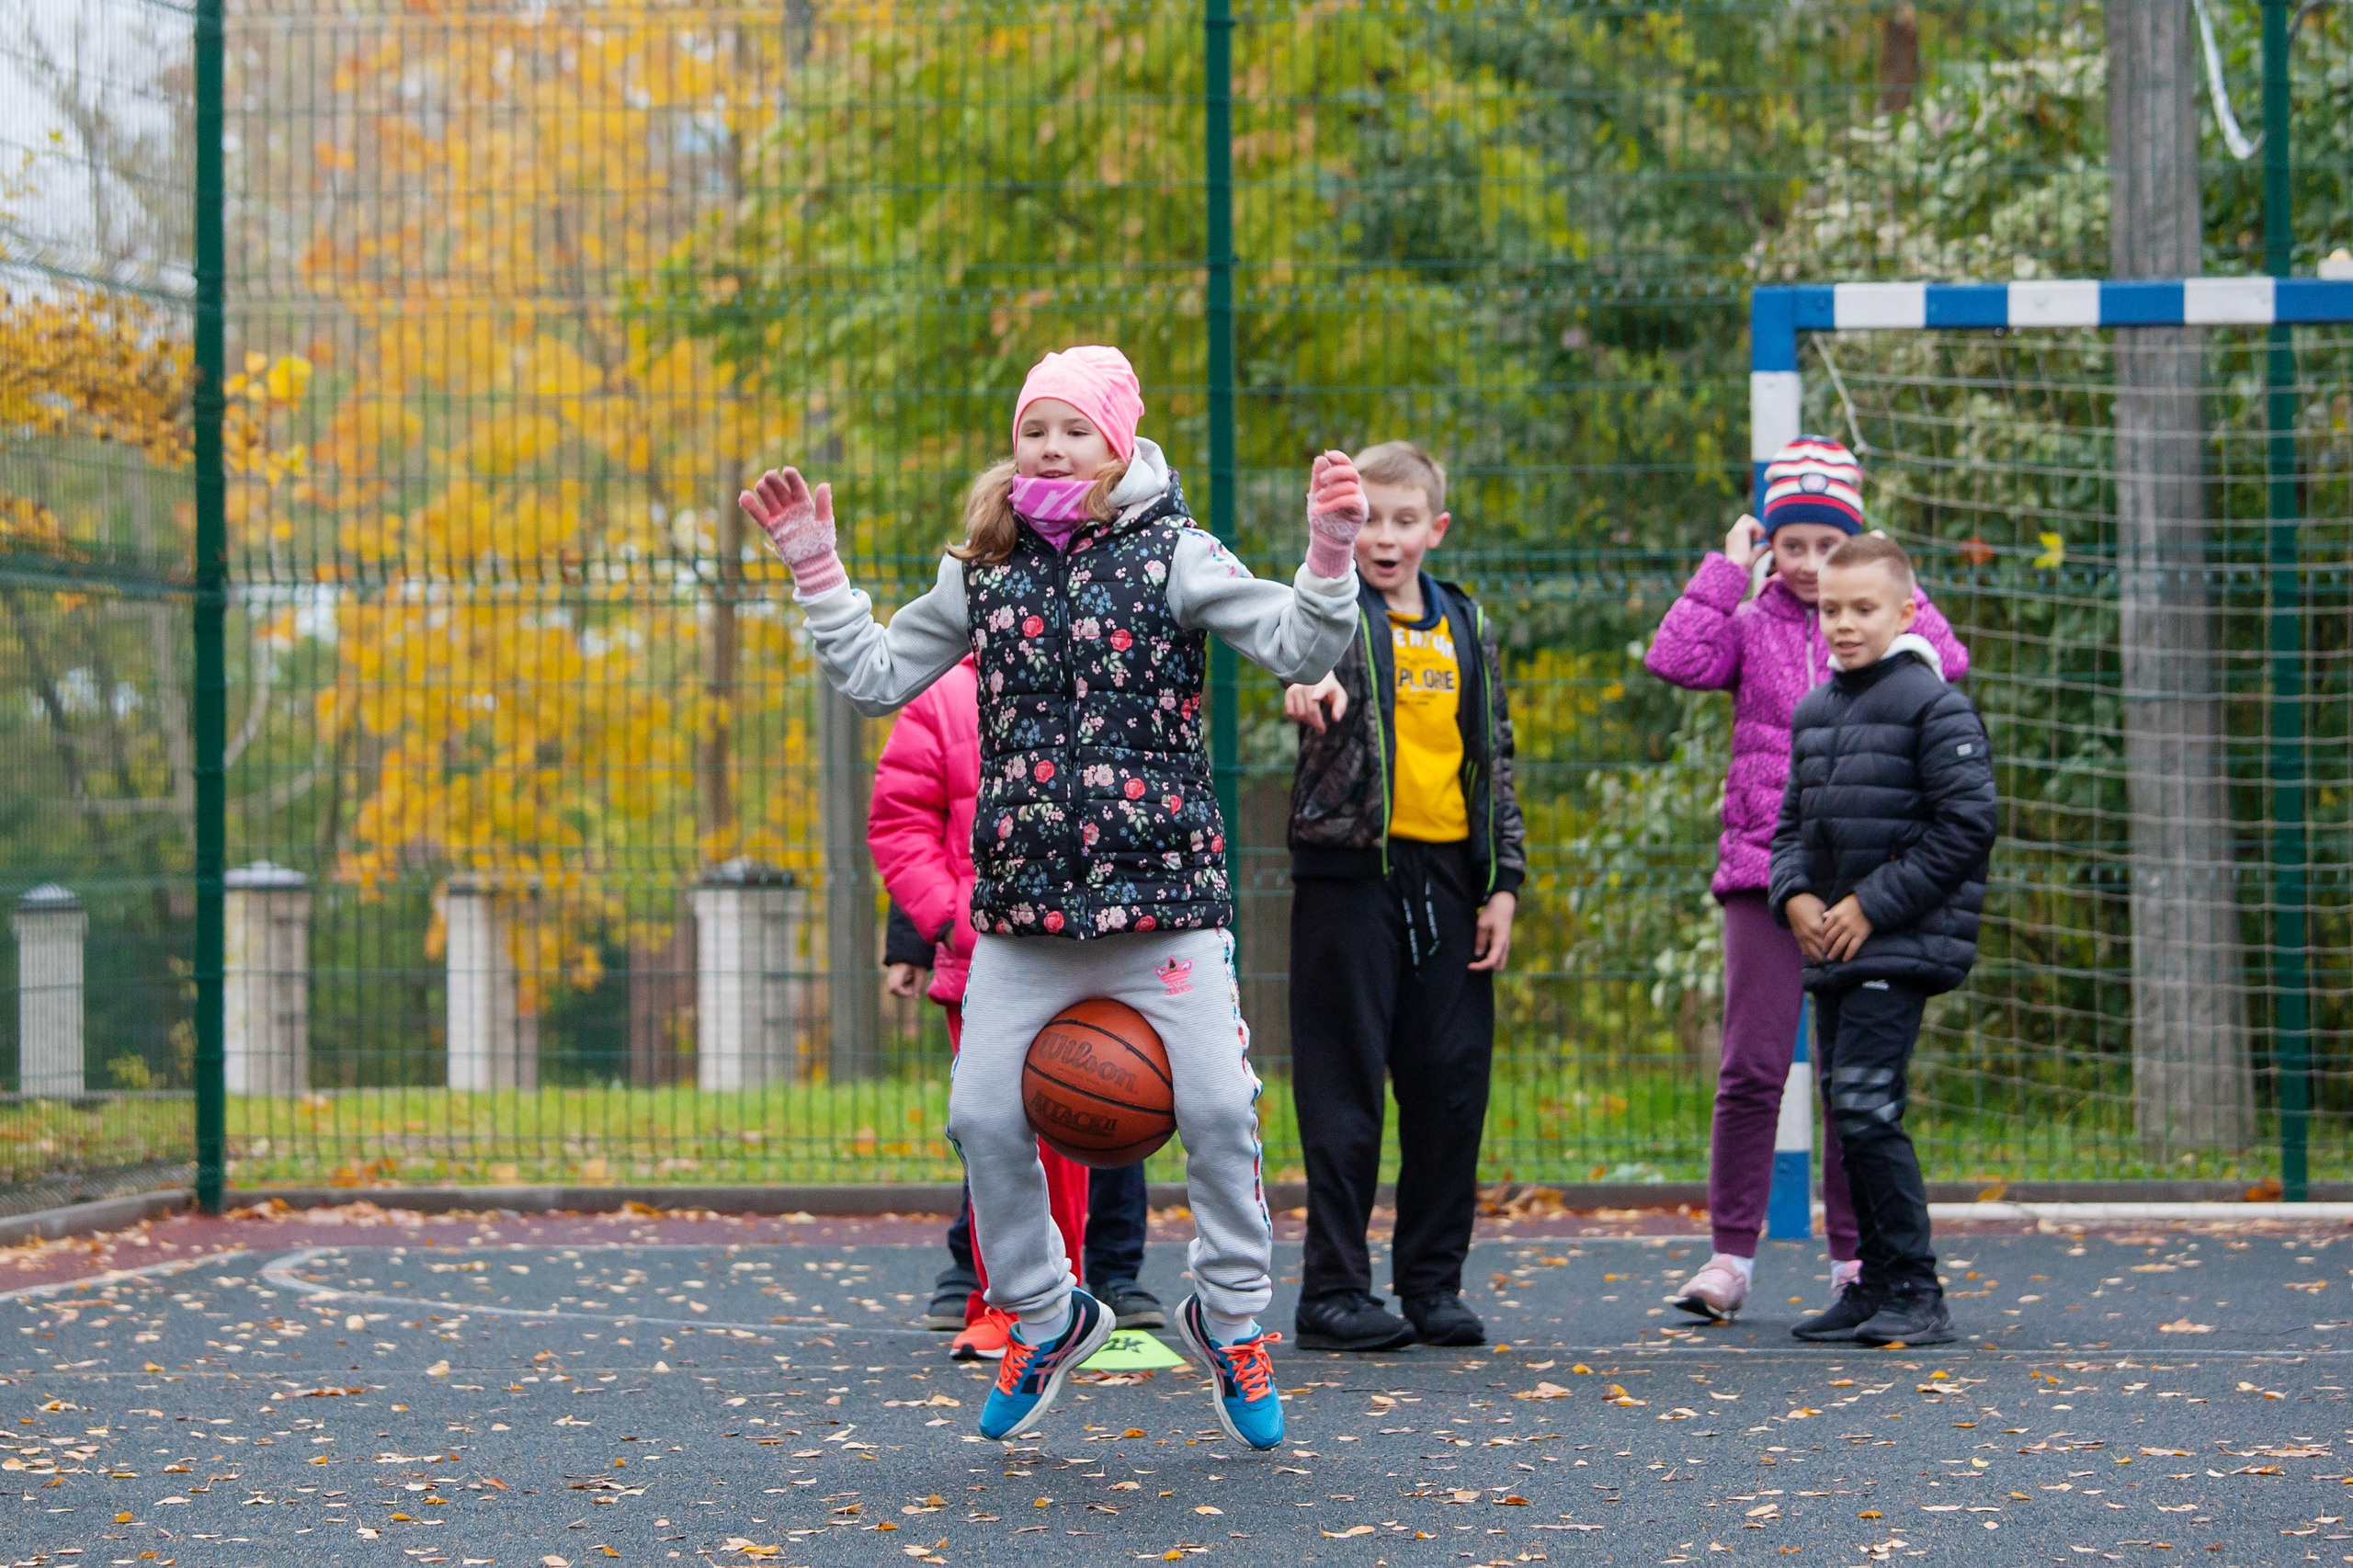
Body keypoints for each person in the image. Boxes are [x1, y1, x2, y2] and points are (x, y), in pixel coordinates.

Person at [738, 345, 1363, 1449]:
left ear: (1118, 443)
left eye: (1075, 429)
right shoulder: (983, 566)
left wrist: (1327, 552)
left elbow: (1298, 640)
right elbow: (879, 675)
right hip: (1024, 912)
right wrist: (818, 574)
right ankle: (1045, 1312)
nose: (1052, 447)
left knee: (1221, 1113)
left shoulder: (1176, 551)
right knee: (979, 1115)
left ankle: (1228, 1320)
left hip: (1165, 906)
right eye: (1035, 429)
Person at [1643, 435, 1968, 1323]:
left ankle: (1855, 1262)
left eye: (1832, 547)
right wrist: (1725, 566)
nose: (1813, 567)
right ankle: (1730, 1258)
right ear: (1770, 548)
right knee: (1751, 1068)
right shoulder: (1751, 623)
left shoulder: (1877, 622)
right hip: (1764, 873)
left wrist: (1890, 579)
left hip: (1862, 889)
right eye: (1793, 546)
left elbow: (1952, 659)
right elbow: (1676, 659)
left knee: (1846, 1079)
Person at [1280, 441, 1525, 1352]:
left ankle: (1431, 1282)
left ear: (1435, 528)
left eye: (1402, 519)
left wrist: (1501, 882)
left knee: (1449, 1086)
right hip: (1349, 880)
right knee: (1343, 1090)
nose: (1383, 537)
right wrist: (1304, 683)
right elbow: (1297, 664)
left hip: (1451, 882)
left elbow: (1491, 752)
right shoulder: (1330, 611)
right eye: (1366, 518)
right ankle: (1334, 1292)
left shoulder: (1463, 621)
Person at [867, 675, 1161, 1352]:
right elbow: (908, 822)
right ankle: (1006, 1300)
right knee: (994, 1129)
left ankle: (1083, 1288)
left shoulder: (1110, 671)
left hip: (1097, 944)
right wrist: (943, 923)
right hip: (989, 952)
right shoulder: (941, 699)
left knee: (1096, 1118)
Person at [1768, 533, 1994, 1346]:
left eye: (1863, 608)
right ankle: (1871, 1284)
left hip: (1895, 945)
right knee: (1849, 1113)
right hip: (1833, 947)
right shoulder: (1816, 709)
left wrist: (1869, 905)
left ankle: (1917, 1290)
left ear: (1904, 611)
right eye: (1831, 608)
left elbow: (1967, 825)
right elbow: (1789, 824)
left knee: (1867, 1107)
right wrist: (1794, 895)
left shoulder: (1934, 705)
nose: (1843, 623)